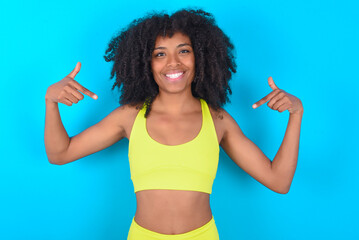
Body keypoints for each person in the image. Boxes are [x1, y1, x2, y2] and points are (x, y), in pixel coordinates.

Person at [44, 9, 303, 240]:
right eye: (160, 54)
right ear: (146, 63)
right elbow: (60, 153)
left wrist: (296, 114)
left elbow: (278, 181)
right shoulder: (129, 117)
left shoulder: (218, 120)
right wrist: (51, 102)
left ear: (200, 57)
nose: (173, 63)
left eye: (184, 51)